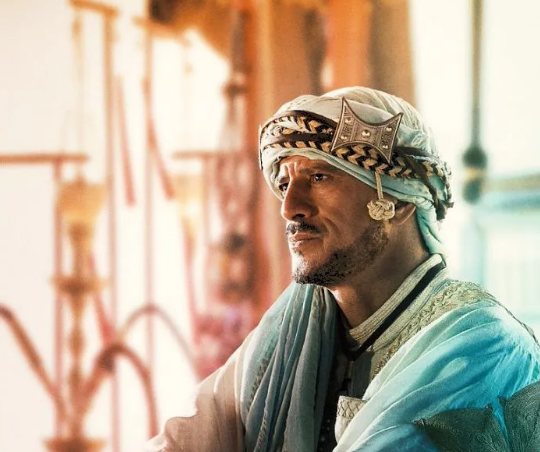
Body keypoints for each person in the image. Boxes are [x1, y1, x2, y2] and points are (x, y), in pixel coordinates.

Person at [146, 87, 540, 452]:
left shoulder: (484, 344)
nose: (290, 208)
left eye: (319, 177)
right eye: (284, 185)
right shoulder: (289, 330)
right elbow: (188, 437)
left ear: (400, 202)